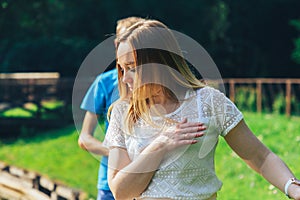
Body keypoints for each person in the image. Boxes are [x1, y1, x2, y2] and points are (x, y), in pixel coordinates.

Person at [103, 19, 300, 200]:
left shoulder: (208, 101)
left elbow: (260, 156)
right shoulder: (123, 113)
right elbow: (121, 192)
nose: (125, 78)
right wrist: (160, 145)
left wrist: (293, 187)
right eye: (122, 68)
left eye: (132, 67)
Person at [78, 16, 145, 200]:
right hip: (111, 184)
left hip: (147, 181)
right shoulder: (104, 83)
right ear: (117, 45)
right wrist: (119, 154)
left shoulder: (155, 83)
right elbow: (84, 138)